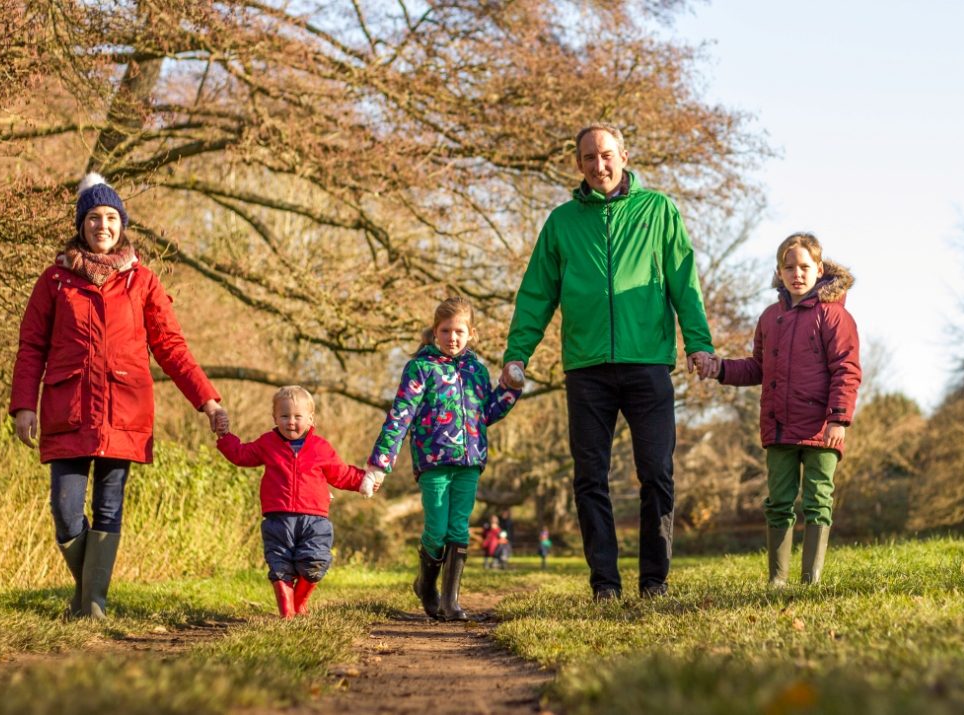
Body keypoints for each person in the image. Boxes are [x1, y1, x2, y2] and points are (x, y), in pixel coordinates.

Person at [500, 123, 716, 600]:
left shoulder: (658, 210)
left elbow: (684, 280)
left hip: (648, 363)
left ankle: (654, 581)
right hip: (586, 368)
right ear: (579, 164)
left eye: (606, 155)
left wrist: (698, 343)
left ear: (624, 155)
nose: (599, 165)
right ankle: (605, 583)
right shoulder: (561, 223)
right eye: (589, 158)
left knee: (657, 473)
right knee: (589, 477)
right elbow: (536, 294)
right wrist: (517, 354)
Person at [10, 174, 226, 619]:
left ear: (122, 225)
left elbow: (171, 348)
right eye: (94, 218)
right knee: (66, 513)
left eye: (111, 218)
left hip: (124, 408)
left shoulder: (143, 281)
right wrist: (24, 406)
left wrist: (207, 399)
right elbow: (31, 345)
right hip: (67, 407)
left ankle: (91, 606)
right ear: (81, 224)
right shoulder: (54, 280)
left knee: (109, 507)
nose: (102, 226)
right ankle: (88, 595)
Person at [710, 233, 860, 586]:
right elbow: (757, 368)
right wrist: (720, 368)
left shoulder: (834, 316)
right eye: (789, 267)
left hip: (822, 429)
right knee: (778, 502)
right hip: (779, 429)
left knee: (818, 500)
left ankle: (811, 579)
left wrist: (838, 418)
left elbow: (847, 369)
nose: (797, 273)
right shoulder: (769, 318)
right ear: (779, 271)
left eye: (805, 267)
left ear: (819, 269)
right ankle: (777, 580)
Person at [368, 296, 521, 620]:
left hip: (470, 462)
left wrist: (509, 390)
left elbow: (486, 413)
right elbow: (400, 416)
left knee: (459, 529)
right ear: (435, 332)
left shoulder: (477, 372)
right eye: (446, 330)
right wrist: (380, 462)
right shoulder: (420, 369)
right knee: (436, 530)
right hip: (433, 462)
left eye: (459, 331)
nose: (453, 337)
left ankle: (451, 602)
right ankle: (426, 585)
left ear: (471, 334)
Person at [216, 385, 377, 618]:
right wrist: (225, 437)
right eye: (284, 416)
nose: (291, 421)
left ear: (311, 419)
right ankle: (288, 615)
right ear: (274, 418)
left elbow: (341, 474)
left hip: (315, 519)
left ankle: (298, 603)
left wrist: (365, 480)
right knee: (280, 565)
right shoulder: (267, 443)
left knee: (315, 562)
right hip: (278, 519)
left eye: (297, 416)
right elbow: (241, 455)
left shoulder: (321, 447)